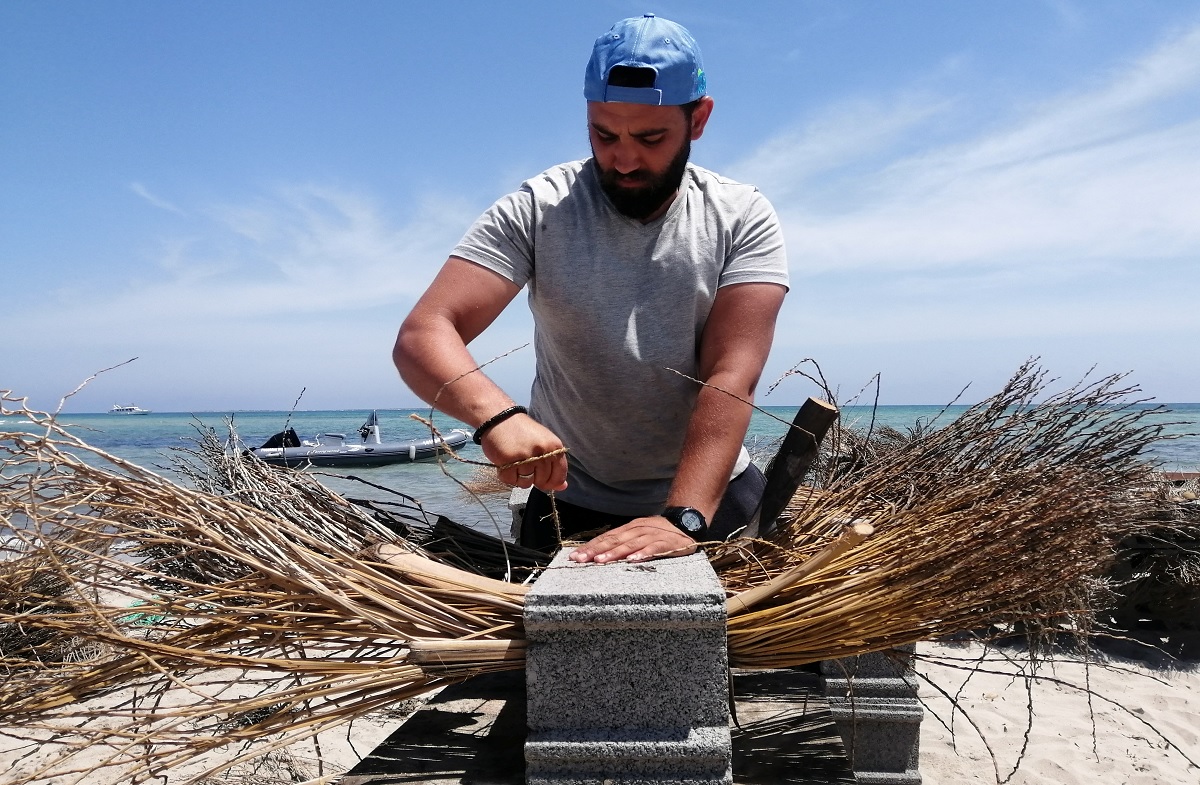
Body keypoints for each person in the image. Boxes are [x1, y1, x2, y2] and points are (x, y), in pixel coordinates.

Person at [393, 14, 788, 564]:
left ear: (698, 119)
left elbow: (731, 375)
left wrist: (684, 517)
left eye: (650, 138)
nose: (624, 158)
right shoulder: (539, 207)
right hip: (566, 500)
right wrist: (497, 417)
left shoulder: (742, 216)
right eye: (604, 135)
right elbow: (424, 332)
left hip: (709, 496)